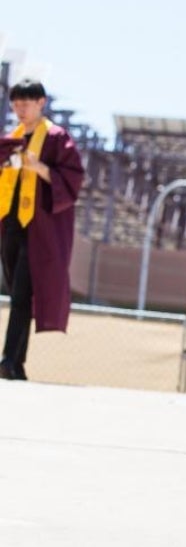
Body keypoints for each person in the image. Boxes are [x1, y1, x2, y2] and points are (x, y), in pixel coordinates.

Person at [0, 78, 85, 381]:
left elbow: (73, 180)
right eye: (16, 103)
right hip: (10, 223)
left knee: (23, 290)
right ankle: (16, 364)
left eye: (27, 103)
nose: (20, 109)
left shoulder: (56, 138)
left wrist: (41, 169)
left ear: (41, 103)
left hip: (38, 228)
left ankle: (8, 358)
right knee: (17, 292)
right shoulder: (11, 138)